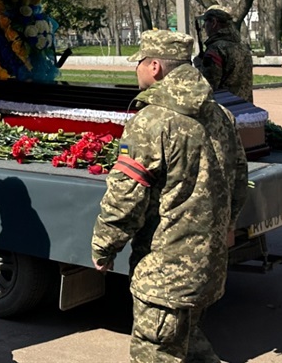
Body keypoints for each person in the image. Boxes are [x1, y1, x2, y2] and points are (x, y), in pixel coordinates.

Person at [92, 30, 249, 363]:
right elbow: (239, 181)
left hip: (164, 273)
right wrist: (225, 229)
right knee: (189, 342)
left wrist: (104, 246)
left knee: (157, 352)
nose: (136, 70)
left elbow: (126, 196)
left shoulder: (152, 121)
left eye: (139, 63)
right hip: (207, 266)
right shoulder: (219, 114)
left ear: (154, 67)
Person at [194, 5, 254, 102]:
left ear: (214, 22)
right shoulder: (242, 47)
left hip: (224, 108)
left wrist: (198, 65)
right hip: (245, 107)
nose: (204, 26)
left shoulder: (217, 49)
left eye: (206, 21)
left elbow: (207, 85)